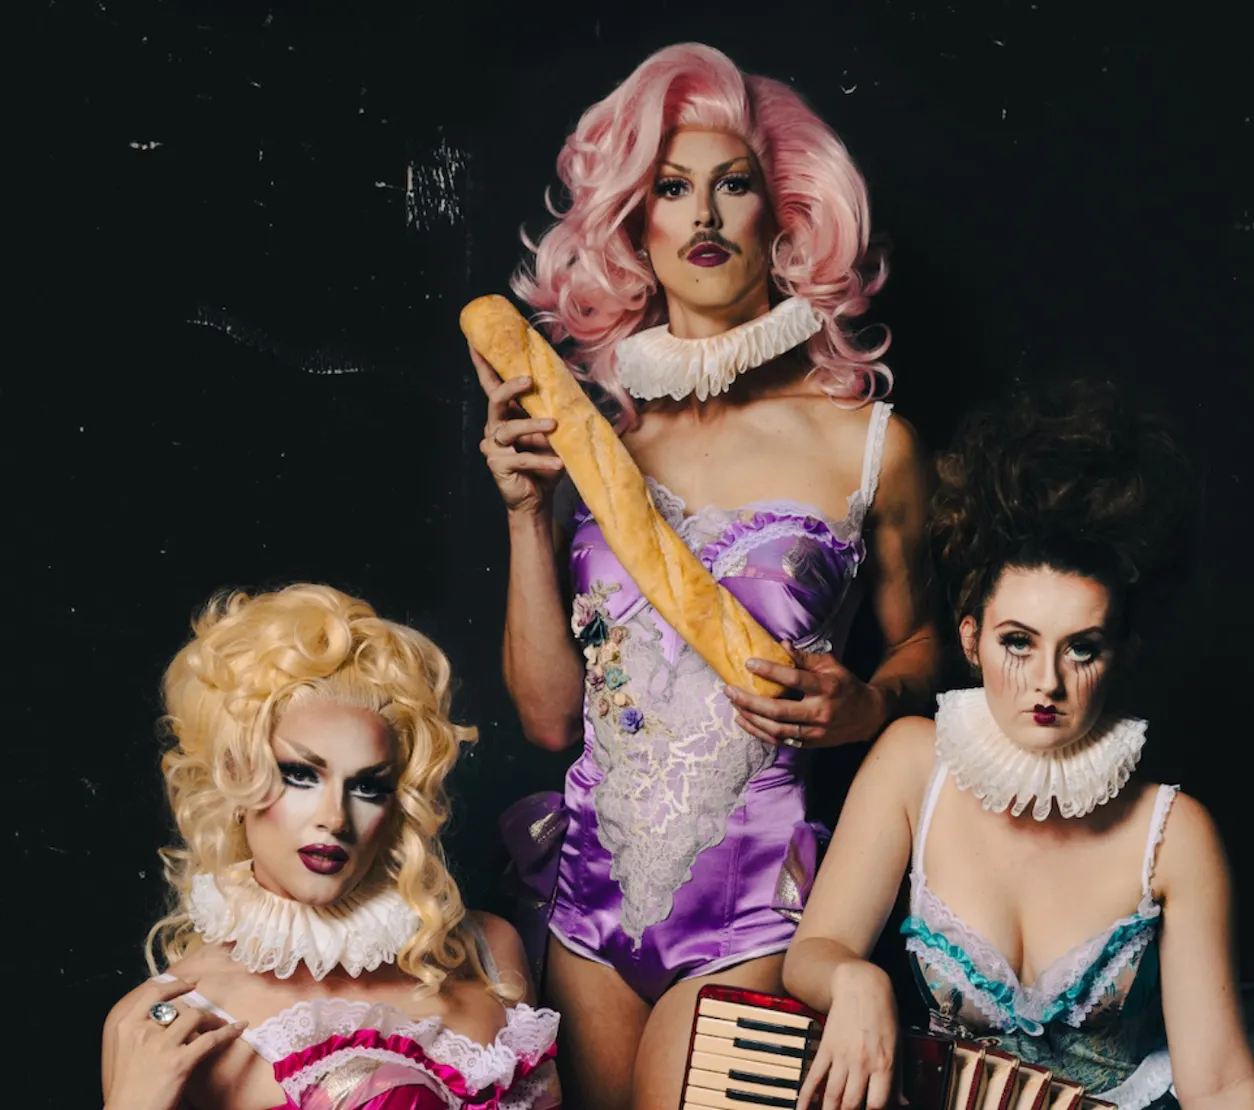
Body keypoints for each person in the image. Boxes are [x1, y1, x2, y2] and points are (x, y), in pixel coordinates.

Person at [473, 41, 940, 1110]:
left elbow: (931, 648)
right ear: (634, 224)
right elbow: (549, 722)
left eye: (735, 186)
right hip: (587, 912)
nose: (705, 218)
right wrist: (521, 515)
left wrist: (867, 700)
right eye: (670, 190)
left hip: (752, 919)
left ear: (788, 218)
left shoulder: (869, 446)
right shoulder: (590, 442)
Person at [782, 382, 1254, 1110]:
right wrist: (856, 979)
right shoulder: (913, 763)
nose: (1046, 683)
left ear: (1121, 655)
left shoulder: (1174, 835)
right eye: (1017, 642)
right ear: (971, 639)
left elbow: (1219, 1083)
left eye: (1082, 649)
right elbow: (815, 952)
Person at [101, 584, 560, 1110]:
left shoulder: (487, 954)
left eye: (368, 786)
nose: (334, 818)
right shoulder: (169, 1017)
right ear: (236, 776)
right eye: (300, 775)